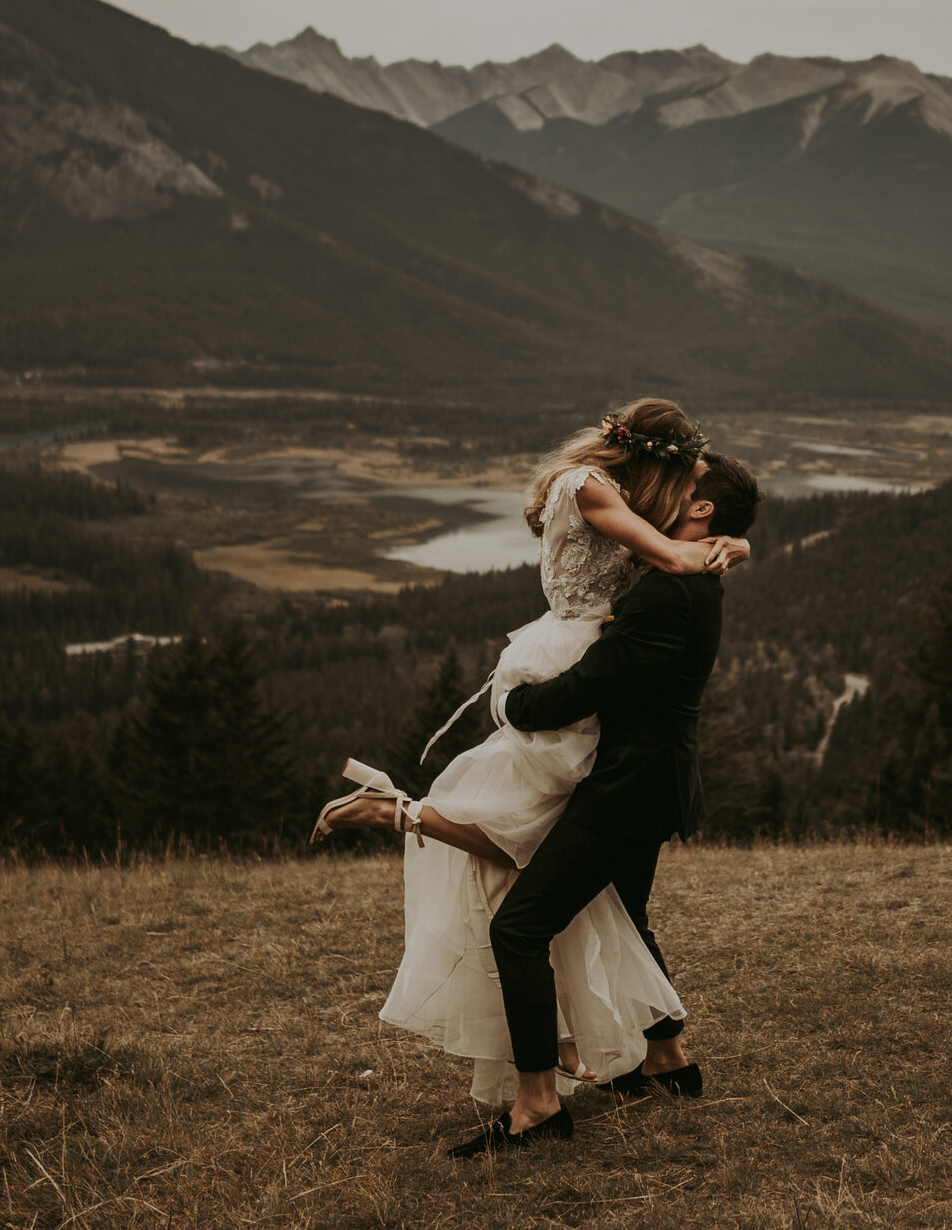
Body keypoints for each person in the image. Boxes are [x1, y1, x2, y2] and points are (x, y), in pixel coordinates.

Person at [311, 399, 752, 1111]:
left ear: (693, 501)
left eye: (686, 486)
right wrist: (732, 543)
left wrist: (516, 706)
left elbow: (592, 681)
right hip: (650, 773)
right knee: (616, 907)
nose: (669, 495)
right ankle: (667, 1061)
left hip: (626, 776)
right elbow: (667, 550)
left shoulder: (672, 584)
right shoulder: (611, 511)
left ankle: (539, 1099)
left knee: (522, 899)